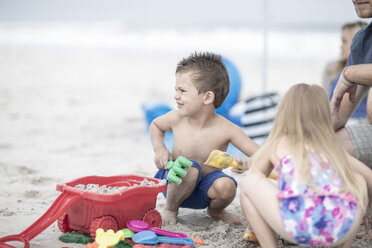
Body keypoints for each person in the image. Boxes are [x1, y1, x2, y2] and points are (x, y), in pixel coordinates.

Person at [240, 83, 371, 247]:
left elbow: (256, 178)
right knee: (359, 180)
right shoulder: (332, 147)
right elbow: (368, 178)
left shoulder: (278, 144)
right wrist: (367, 210)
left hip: (298, 227)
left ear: (284, 113)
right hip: (340, 227)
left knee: (249, 182)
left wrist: (253, 224)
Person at [150, 51, 259, 225]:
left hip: (205, 189)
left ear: (207, 97)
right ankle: (170, 209)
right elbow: (155, 126)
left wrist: (249, 163)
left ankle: (216, 211)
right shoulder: (176, 118)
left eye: (182, 91)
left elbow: (260, 153)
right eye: (176, 89)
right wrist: (160, 149)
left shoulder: (226, 129)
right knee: (190, 167)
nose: (176, 95)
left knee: (227, 186)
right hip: (175, 182)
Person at [330, 0, 372, 239]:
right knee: (323, 146)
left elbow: (351, 75)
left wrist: (352, 72)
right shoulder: (363, 40)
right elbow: (338, 114)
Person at [323, 21, 368, 123]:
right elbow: (326, 102)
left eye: (344, 41)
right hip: (333, 120)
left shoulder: (367, 72)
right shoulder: (332, 68)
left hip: (358, 122)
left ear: (357, 43)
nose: (340, 46)